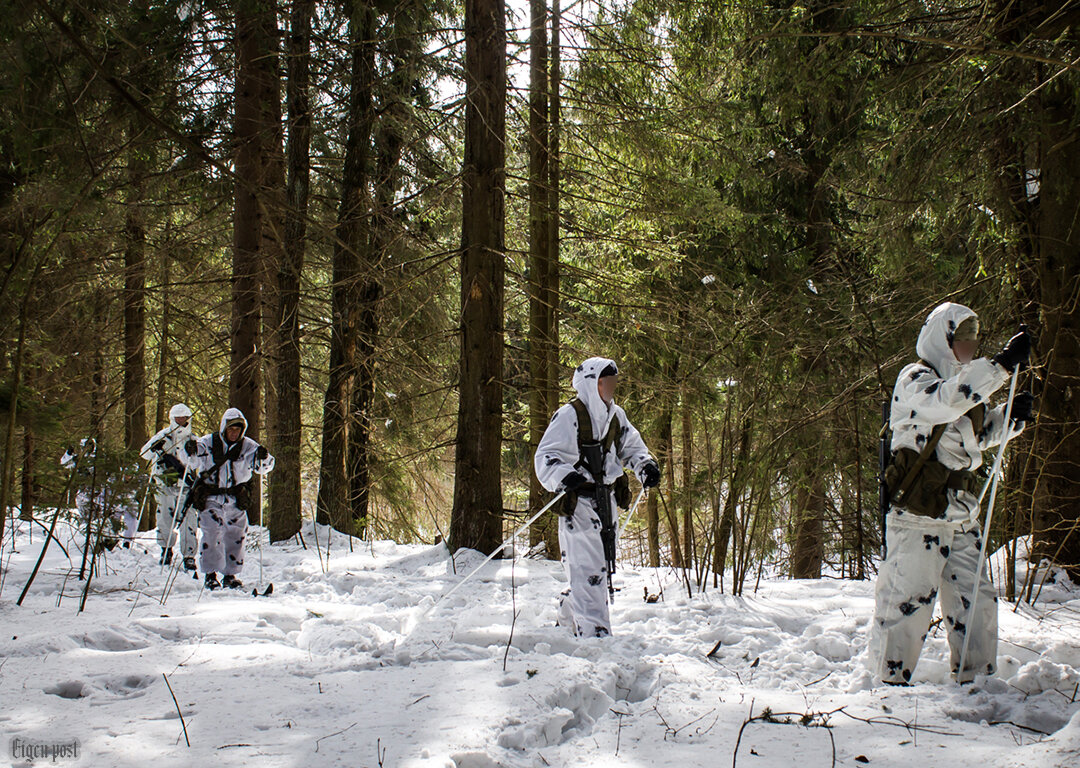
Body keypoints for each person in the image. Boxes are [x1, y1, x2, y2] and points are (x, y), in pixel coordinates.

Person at [870, 302, 1033, 685]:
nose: (969, 350)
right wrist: (1001, 366)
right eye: (961, 341)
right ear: (941, 340)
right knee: (907, 603)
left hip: (960, 513)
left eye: (973, 343)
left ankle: (978, 681)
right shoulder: (916, 379)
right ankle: (888, 687)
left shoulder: (967, 384)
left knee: (976, 601)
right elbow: (943, 405)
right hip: (918, 514)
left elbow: (973, 442)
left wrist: (1012, 418)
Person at [534, 357, 660, 638]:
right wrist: (564, 476)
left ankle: (568, 614)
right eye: (608, 381)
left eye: (615, 380)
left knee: (598, 565)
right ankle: (596, 637)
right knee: (590, 570)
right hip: (578, 505)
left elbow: (632, 447)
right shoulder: (569, 416)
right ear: (593, 383)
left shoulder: (617, 416)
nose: (614, 386)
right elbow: (546, 457)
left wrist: (645, 466)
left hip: (608, 502)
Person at [187, 408, 274, 590]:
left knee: (236, 536)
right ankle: (210, 574)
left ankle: (230, 574)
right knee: (211, 533)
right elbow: (192, 462)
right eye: (231, 429)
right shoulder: (207, 443)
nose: (234, 433)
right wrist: (191, 450)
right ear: (224, 428)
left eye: (237, 429)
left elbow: (265, 467)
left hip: (236, 497)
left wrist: (263, 457)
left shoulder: (249, 446)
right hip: (211, 496)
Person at [140, 403, 199, 568]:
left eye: (184, 418)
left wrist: (193, 452)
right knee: (165, 519)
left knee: (189, 519)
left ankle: (188, 555)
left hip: (185, 486)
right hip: (164, 485)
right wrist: (156, 447)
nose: (181, 421)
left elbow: (198, 462)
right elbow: (144, 454)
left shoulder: (193, 439)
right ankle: (166, 549)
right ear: (172, 419)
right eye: (178, 418)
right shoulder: (163, 435)